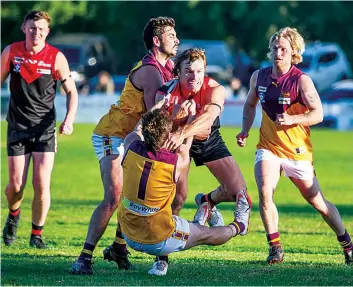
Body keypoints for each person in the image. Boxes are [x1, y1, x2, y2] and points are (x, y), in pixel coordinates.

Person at [70, 17, 179, 275]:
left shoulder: (169, 67)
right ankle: (84, 257)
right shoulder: (152, 71)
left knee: (132, 195)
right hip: (112, 134)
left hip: (133, 136)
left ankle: (119, 246)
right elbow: (156, 118)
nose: (177, 39)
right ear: (156, 41)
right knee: (114, 196)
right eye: (171, 35)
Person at [236, 27, 353, 265]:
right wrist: (245, 130)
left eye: (283, 49)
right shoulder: (259, 77)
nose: (278, 53)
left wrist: (293, 119)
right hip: (268, 147)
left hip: (298, 152)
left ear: (293, 53)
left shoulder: (301, 80)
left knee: (317, 202)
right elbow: (249, 104)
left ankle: (347, 244)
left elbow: (318, 113)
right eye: (275, 48)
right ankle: (275, 247)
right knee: (265, 190)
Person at [117, 100, 251, 276]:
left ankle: (203, 213)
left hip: (128, 234)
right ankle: (239, 226)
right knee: (208, 235)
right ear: (168, 136)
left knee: (186, 225)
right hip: (159, 239)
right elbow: (186, 141)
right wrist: (192, 116)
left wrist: (159, 104)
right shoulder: (176, 161)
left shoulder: (130, 146)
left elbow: (138, 128)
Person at [152, 48, 252, 274]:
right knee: (177, 199)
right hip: (176, 145)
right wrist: (176, 127)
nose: (194, 76)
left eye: (199, 71)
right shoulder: (165, 93)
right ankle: (162, 257)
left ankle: (207, 201)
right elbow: (158, 124)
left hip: (206, 139)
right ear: (177, 72)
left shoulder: (215, 89)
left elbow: (207, 119)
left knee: (239, 193)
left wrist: (183, 130)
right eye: (188, 71)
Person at [1, 10, 78, 249]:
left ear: (47, 32)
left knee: (41, 183)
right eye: (32, 28)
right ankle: (13, 215)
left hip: (45, 129)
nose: (36, 32)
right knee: (15, 186)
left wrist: (69, 120)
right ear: (24, 28)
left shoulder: (56, 57)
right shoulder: (11, 52)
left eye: (41, 29)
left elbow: (72, 92)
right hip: (17, 127)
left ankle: (36, 234)